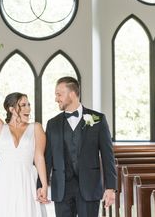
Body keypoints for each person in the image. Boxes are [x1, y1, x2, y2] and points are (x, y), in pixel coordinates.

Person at [0, 59, 49, 217]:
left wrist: (44, 184)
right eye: (23, 105)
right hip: (3, 178)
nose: (28, 108)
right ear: (11, 108)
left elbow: (39, 157)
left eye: (28, 104)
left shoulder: (36, 128)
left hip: (27, 177)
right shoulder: (0, 128)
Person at [39, 76, 117, 217]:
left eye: (59, 94)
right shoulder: (52, 124)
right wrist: (41, 185)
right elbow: (47, 159)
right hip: (61, 188)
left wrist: (111, 187)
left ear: (72, 94)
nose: (56, 99)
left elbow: (108, 156)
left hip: (89, 187)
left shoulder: (98, 119)